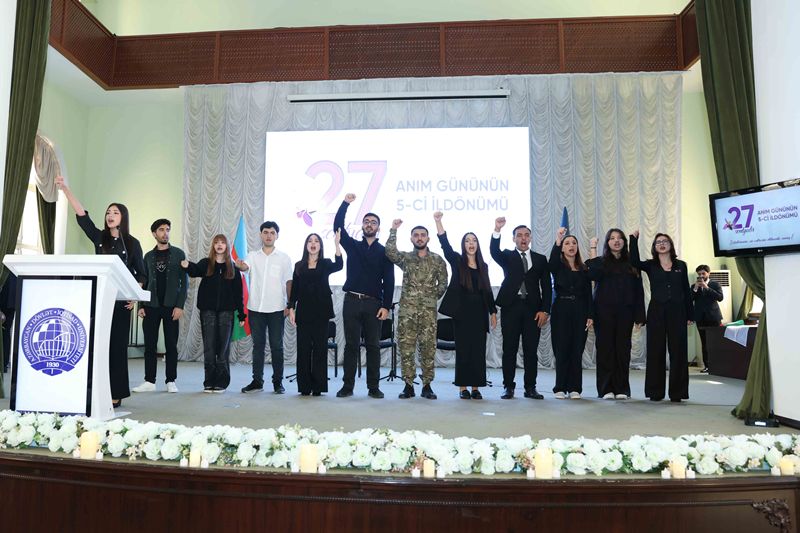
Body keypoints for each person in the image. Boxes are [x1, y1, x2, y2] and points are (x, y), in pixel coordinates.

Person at [55, 175, 145, 408]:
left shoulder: (132, 243)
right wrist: (65, 189)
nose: (110, 215)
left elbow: (142, 275)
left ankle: (116, 392)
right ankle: (95, 389)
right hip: (99, 299)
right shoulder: (99, 238)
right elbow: (82, 217)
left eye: (115, 212)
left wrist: (134, 295)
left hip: (121, 302)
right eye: (107, 212)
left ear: (123, 217)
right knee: (97, 346)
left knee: (116, 347)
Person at [333, 193, 395, 399]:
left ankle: (373, 387)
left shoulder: (385, 252)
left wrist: (386, 306)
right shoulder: (352, 246)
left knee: (373, 346)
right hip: (351, 301)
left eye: (373, 222)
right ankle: (347, 386)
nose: (369, 224)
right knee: (351, 346)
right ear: (362, 226)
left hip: (374, 304)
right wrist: (345, 204)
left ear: (378, 228)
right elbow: (337, 227)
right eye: (366, 221)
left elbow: (390, 281)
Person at [434, 212, 497, 400]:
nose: (471, 243)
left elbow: (487, 290)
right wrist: (438, 221)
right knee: (463, 351)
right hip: (461, 313)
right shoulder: (457, 261)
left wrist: (493, 312)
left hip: (479, 313)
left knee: (478, 351)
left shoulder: (484, 266)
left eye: (474, 241)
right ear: (464, 245)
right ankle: (463, 388)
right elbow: (445, 245)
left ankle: (476, 387)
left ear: (477, 245)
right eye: (468, 241)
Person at [385, 219, 448, 400]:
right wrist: (393, 230)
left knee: (428, 349)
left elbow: (443, 283)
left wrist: (430, 298)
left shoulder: (437, 260)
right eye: (416, 235)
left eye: (422, 235)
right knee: (406, 349)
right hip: (408, 313)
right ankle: (408, 385)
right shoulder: (406, 258)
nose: (419, 238)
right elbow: (390, 252)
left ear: (428, 238)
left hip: (428, 313)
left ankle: (427, 385)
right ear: (411, 238)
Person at [490, 217, 552, 400]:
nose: (523, 238)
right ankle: (508, 387)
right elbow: (494, 251)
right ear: (514, 239)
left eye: (526, 235)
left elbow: (547, 287)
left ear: (530, 238)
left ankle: (530, 387)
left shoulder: (540, 259)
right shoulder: (507, 256)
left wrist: (545, 310)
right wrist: (497, 229)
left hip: (533, 310)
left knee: (531, 350)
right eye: (519, 235)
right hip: (511, 307)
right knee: (509, 349)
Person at [630, 231, 694, 402]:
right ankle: (655, 392)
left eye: (665, 241)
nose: (662, 244)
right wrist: (633, 240)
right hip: (656, 311)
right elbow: (634, 262)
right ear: (654, 247)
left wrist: (690, 314)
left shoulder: (681, 265)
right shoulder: (651, 265)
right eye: (658, 242)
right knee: (655, 350)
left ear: (670, 245)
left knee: (678, 352)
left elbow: (686, 291)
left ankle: (678, 393)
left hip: (678, 312)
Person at [181, 234, 246, 393]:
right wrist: (187, 265)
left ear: (227, 246)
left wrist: (241, 314)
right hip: (208, 311)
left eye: (222, 242)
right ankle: (209, 381)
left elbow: (238, 293)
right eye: (216, 242)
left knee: (223, 349)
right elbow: (195, 271)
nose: (219, 245)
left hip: (226, 313)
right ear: (213, 246)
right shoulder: (206, 263)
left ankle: (222, 382)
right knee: (209, 347)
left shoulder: (233, 267)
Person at [586, 229, 645, 400]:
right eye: (612, 238)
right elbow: (592, 274)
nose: (616, 241)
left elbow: (638, 290)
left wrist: (639, 315)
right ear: (607, 243)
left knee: (623, 350)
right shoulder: (601, 261)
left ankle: (622, 389)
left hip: (626, 312)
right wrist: (593, 247)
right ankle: (605, 389)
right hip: (603, 312)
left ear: (624, 242)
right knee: (605, 350)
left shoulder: (632, 263)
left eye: (619, 238)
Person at [235, 221, 293, 394]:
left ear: (277, 236)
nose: (269, 235)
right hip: (255, 309)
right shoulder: (253, 256)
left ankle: (278, 382)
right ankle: (257, 381)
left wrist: (290, 304)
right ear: (260, 235)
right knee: (258, 346)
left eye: (272, 232)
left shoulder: (284, 258)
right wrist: (240, 265)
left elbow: (288, 282)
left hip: (277, 309)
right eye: (266, 232)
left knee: (277, 347)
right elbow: (245, 267)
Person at [133, 219, 188, 394]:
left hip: (171, 306)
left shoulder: (179, 254)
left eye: (168, 229)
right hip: (151, 305)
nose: (165, 233)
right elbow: (144, 281)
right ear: (154, 233)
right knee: (150, 345)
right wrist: (141, 305)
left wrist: (180, 306)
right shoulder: (148, 256)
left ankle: (171, 380)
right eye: (161, 230)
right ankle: (149, 381)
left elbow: (184, 283)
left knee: (171, 345)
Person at [287, 231, 343, 396]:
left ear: (320, 245)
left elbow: (340, 265)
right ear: (306, 245)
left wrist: (337, 244)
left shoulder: (325, 263)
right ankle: (304, 387)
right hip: (304, 311)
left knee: (320, 349)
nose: (313, 243)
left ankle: (318, 386)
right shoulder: (299, 265)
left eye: (316, 241)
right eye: (310, 241)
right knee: (303, 350)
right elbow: (295, 289)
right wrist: (291, 308)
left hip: (321, 311)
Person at [548, 227, 593, 400]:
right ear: (562, 248)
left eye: (574, 243)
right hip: (561, 310)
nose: (571, 246)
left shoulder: (584, 268)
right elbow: (551, 261)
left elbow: (588, 294)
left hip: (580, 311)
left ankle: (575, 388)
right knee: (562, 349)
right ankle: (560, 387)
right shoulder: (558, 266)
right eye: (567, 243)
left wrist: (590, 315)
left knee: (577, 349)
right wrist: (558, 240)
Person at [692, 264, 724, 373]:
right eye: (699, 274)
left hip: (714, 317)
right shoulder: (694, 286)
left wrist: (707, 288)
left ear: (708, 273)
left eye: (703, 273)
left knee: (716, 342)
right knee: (704, 343)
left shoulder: (715, 284)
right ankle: (707, 366)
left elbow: (720, 297)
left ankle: (718, 366)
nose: (701, 276)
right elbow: (690, 299)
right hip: (700, 318)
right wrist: (696, 288)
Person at [0, 272, 17, 373]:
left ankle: (4, 363)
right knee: (6, 332)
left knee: (5, 332)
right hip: (10, 300)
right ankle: (4, 363)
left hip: (6, 299)